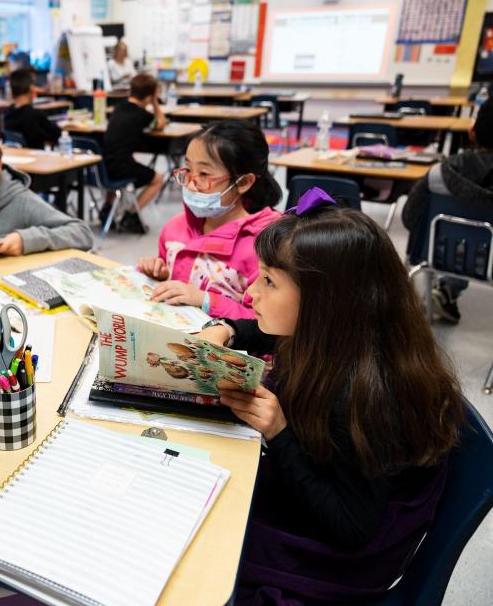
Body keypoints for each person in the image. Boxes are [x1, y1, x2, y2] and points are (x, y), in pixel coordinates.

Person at [195, 192, 463, 604]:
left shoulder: (362, 394)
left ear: (324, 301)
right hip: (324, 484)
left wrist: (280, 432)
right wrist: (226, 329)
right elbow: (264, 330)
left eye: (268, 280)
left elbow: (352, 528)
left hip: (340, 556)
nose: (250, 293)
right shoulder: (347, 331)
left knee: (201, 553)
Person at [137, 120, 282, 319]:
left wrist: (205, 300)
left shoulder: (263, 248)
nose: (190, 185)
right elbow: (171, 272)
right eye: (188, 170)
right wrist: (158, 271)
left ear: (244, 182)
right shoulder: (176, 227)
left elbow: (265, 324)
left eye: (204, 174)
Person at [401, 100, 493, 323]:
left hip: (439, 255)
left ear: (472, 132)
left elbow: (409, 218)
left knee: (459, 241)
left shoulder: (438, 173)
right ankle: (447, 291)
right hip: (488, 260)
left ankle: (448, 289)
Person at [102, 73, 167, 234]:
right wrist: (155, 103)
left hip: (103, 166)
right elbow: (160, 123)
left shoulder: (118, 108)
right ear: (149, 96)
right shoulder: (142, 114)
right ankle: (131, 215)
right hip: (121, 167)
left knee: (121, 159)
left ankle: (107, 209)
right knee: (158, 179)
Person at [3, 68, 61, 150]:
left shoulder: (7, 113)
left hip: (19, 158)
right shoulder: (35, 115)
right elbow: (57, 136)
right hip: (39, 159)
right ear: (31, 89)